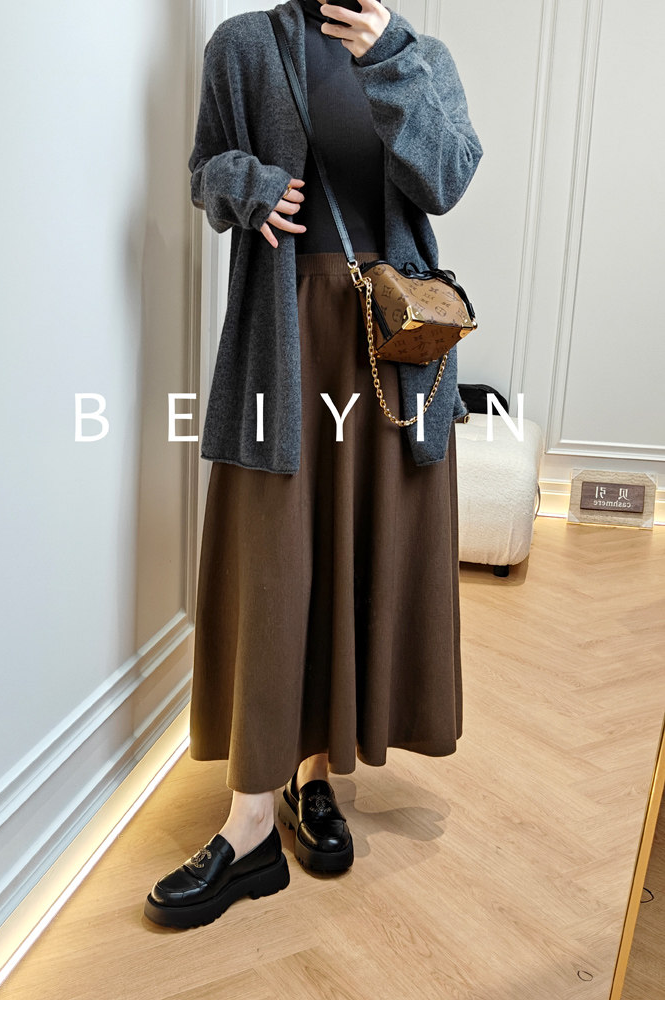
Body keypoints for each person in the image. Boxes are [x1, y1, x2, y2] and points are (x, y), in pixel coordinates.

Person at [144, 0, 482, 930]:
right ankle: (251, 819)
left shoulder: (421, 55)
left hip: (390, 350)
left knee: (359, 553)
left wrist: (392, 61)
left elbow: (447, 178)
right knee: (276, 563)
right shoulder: (243, 45)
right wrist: (248, 184)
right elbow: (204, 170)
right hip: (284, 339)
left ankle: (316, 778)